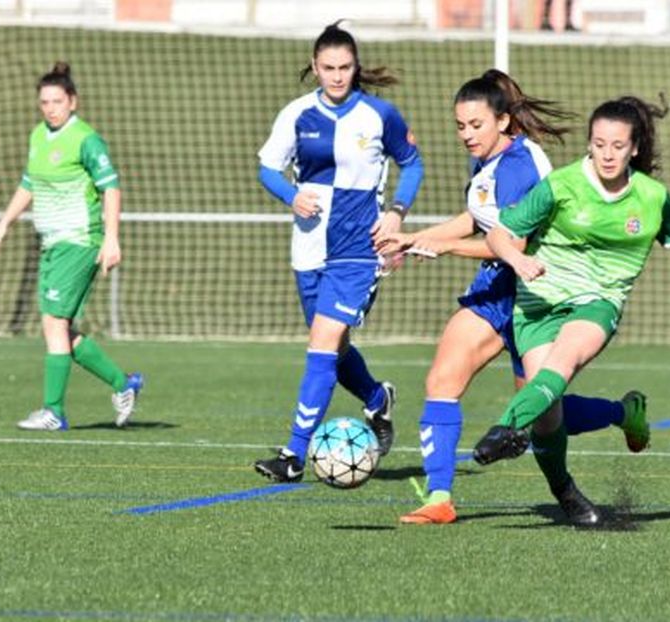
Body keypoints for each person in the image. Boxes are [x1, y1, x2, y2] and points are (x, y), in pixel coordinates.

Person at [375, 70, 645, 525]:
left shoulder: (520, 168)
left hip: (538, 293)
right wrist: (413, 237)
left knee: (546, 416)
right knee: (443, 379)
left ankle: (621, 414)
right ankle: (439, 498)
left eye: (475, 125)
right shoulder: (486, 160)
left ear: (502, 122)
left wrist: (444, 247)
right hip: (494, 288)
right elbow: (476, 217)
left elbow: (510, 244)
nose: (465, 135)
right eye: (460, 125)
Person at [477, 95, 670, 525]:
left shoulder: (651, 197)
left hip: (598, 300)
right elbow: (501, 234)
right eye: (599, 144)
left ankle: (502, 430)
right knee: (548, 415)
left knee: (561, 364)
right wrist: (517, 260)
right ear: (589, 144)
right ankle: (570, 486)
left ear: (635, 149)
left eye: (617, 146)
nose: (607, 154)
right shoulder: (562, 184)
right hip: (537, 303)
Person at [252, 21, 424, 482]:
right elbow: (267, 168)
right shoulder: (296, 115)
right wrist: (291, 195)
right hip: (308, 246)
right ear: (315, 67)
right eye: (328, 67)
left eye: (345, 67)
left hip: (358, 250)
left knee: (322, 345)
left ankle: (293, 455)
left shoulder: (380, 115)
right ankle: (376, 399)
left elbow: (411, 164)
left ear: (356, 67)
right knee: (334, 347)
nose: (337, 76)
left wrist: (397, 213)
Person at [0, 61, 143, 431]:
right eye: (44, 102)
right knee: (58, 328)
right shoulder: (38, 136)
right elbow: (29, 184)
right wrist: (3, 224)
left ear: (72, 101)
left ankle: (53, 411)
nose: (50, 108)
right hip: (53, 244)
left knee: (54, 323)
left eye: (57, 101)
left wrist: (111, 238)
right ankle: (124, 384)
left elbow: (111, 188)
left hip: (80, 240)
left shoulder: (86, 139)